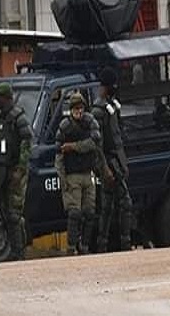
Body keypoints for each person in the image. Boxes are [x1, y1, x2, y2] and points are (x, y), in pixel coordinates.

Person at [92, 67, 133, 252]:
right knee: (124, 202)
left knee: (108, 205)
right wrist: (105, 168)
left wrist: (123, 164)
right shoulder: (99, 110)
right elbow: (98, 144)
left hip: (117, 160)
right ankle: (123, 243)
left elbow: (118, 137)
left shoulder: (113, 107)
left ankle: (103, 244)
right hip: (109, 161)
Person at [54, 93, 102, 255]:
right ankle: (71, 247)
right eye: (75, 108)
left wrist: (73, 146)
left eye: (81, 108)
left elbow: (94, 142)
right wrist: (62, 179)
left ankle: (85, 245)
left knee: (90, 213)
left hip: (88, 173)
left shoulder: (90, 122)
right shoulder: (65, 127)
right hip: (72, 175)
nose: (78, 111)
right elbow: (59, 154)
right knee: (74, 213)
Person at [0, 82, 33, 261]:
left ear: (7, 98)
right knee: (7, 213)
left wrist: (21, 169)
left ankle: (19, 252)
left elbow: (27, 142)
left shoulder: (18, 118)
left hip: (16, 170)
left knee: (14, 214)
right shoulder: (1, 119)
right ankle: (17, 248)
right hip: (3, 171)